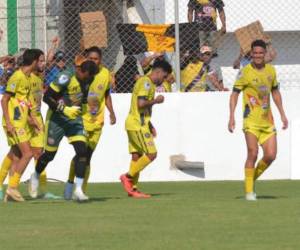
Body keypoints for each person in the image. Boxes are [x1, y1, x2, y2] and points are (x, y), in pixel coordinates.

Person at [28, 56, 98, 201]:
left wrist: (90, 107)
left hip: (74, 121)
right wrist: (65, 110)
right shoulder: (65, 76)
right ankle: (35, 176)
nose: (88, 80)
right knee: (49, 155)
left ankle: (78, 190)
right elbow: (47, 97)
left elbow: (82, 98)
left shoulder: (88, 79)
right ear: (81, 71)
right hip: (56, 120)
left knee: (82, 151)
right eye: (87, 76)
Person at [228, 40, 288, 201]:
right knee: (252, 153)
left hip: (268, 122)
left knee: (270, 156)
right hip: (251, 122)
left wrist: (282, 114)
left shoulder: (271, 70)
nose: (258, 56)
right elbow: (234, 94)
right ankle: (249, 193)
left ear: (265, 53)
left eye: (261, 53)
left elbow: (275, 92)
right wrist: (232, 116)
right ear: (251, 54)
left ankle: (250, 179)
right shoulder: (244, 72)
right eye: (255, 53)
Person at [64, 46, 116, 199]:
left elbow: (106, 94)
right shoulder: (82, 73)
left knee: (88, 156)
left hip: (97, 122)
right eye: (91, 58)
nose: (93, 61)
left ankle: (81, 190)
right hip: (82, 120)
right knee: (81, 155)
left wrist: (111, 112)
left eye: (96, 59)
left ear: (101, 60)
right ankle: (70, 185)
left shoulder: (106, 74)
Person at [120, 59, 172, 198]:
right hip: (137, 125)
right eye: (165, 76)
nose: (165, 79)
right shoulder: (146, 83)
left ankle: (133, 189)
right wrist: (157, 101)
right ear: (158, 72)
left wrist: (150, 124)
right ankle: (128, 177)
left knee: (136, 156)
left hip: (135, 123)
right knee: (152, 154)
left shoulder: (147, 83)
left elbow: (143, 108)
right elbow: (141, 104)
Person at [1, 49, 40, 202]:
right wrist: (9, 122)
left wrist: (31, 118)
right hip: (15, 123)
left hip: (21, 121)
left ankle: (9, 193)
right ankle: (12, 187)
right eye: (40, 60)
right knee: (28, 153)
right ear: (35, 61)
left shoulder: (28, 77)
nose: (41, 63)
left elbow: (24, 101)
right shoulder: (17, 77)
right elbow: (4, 100)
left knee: (16, 156)